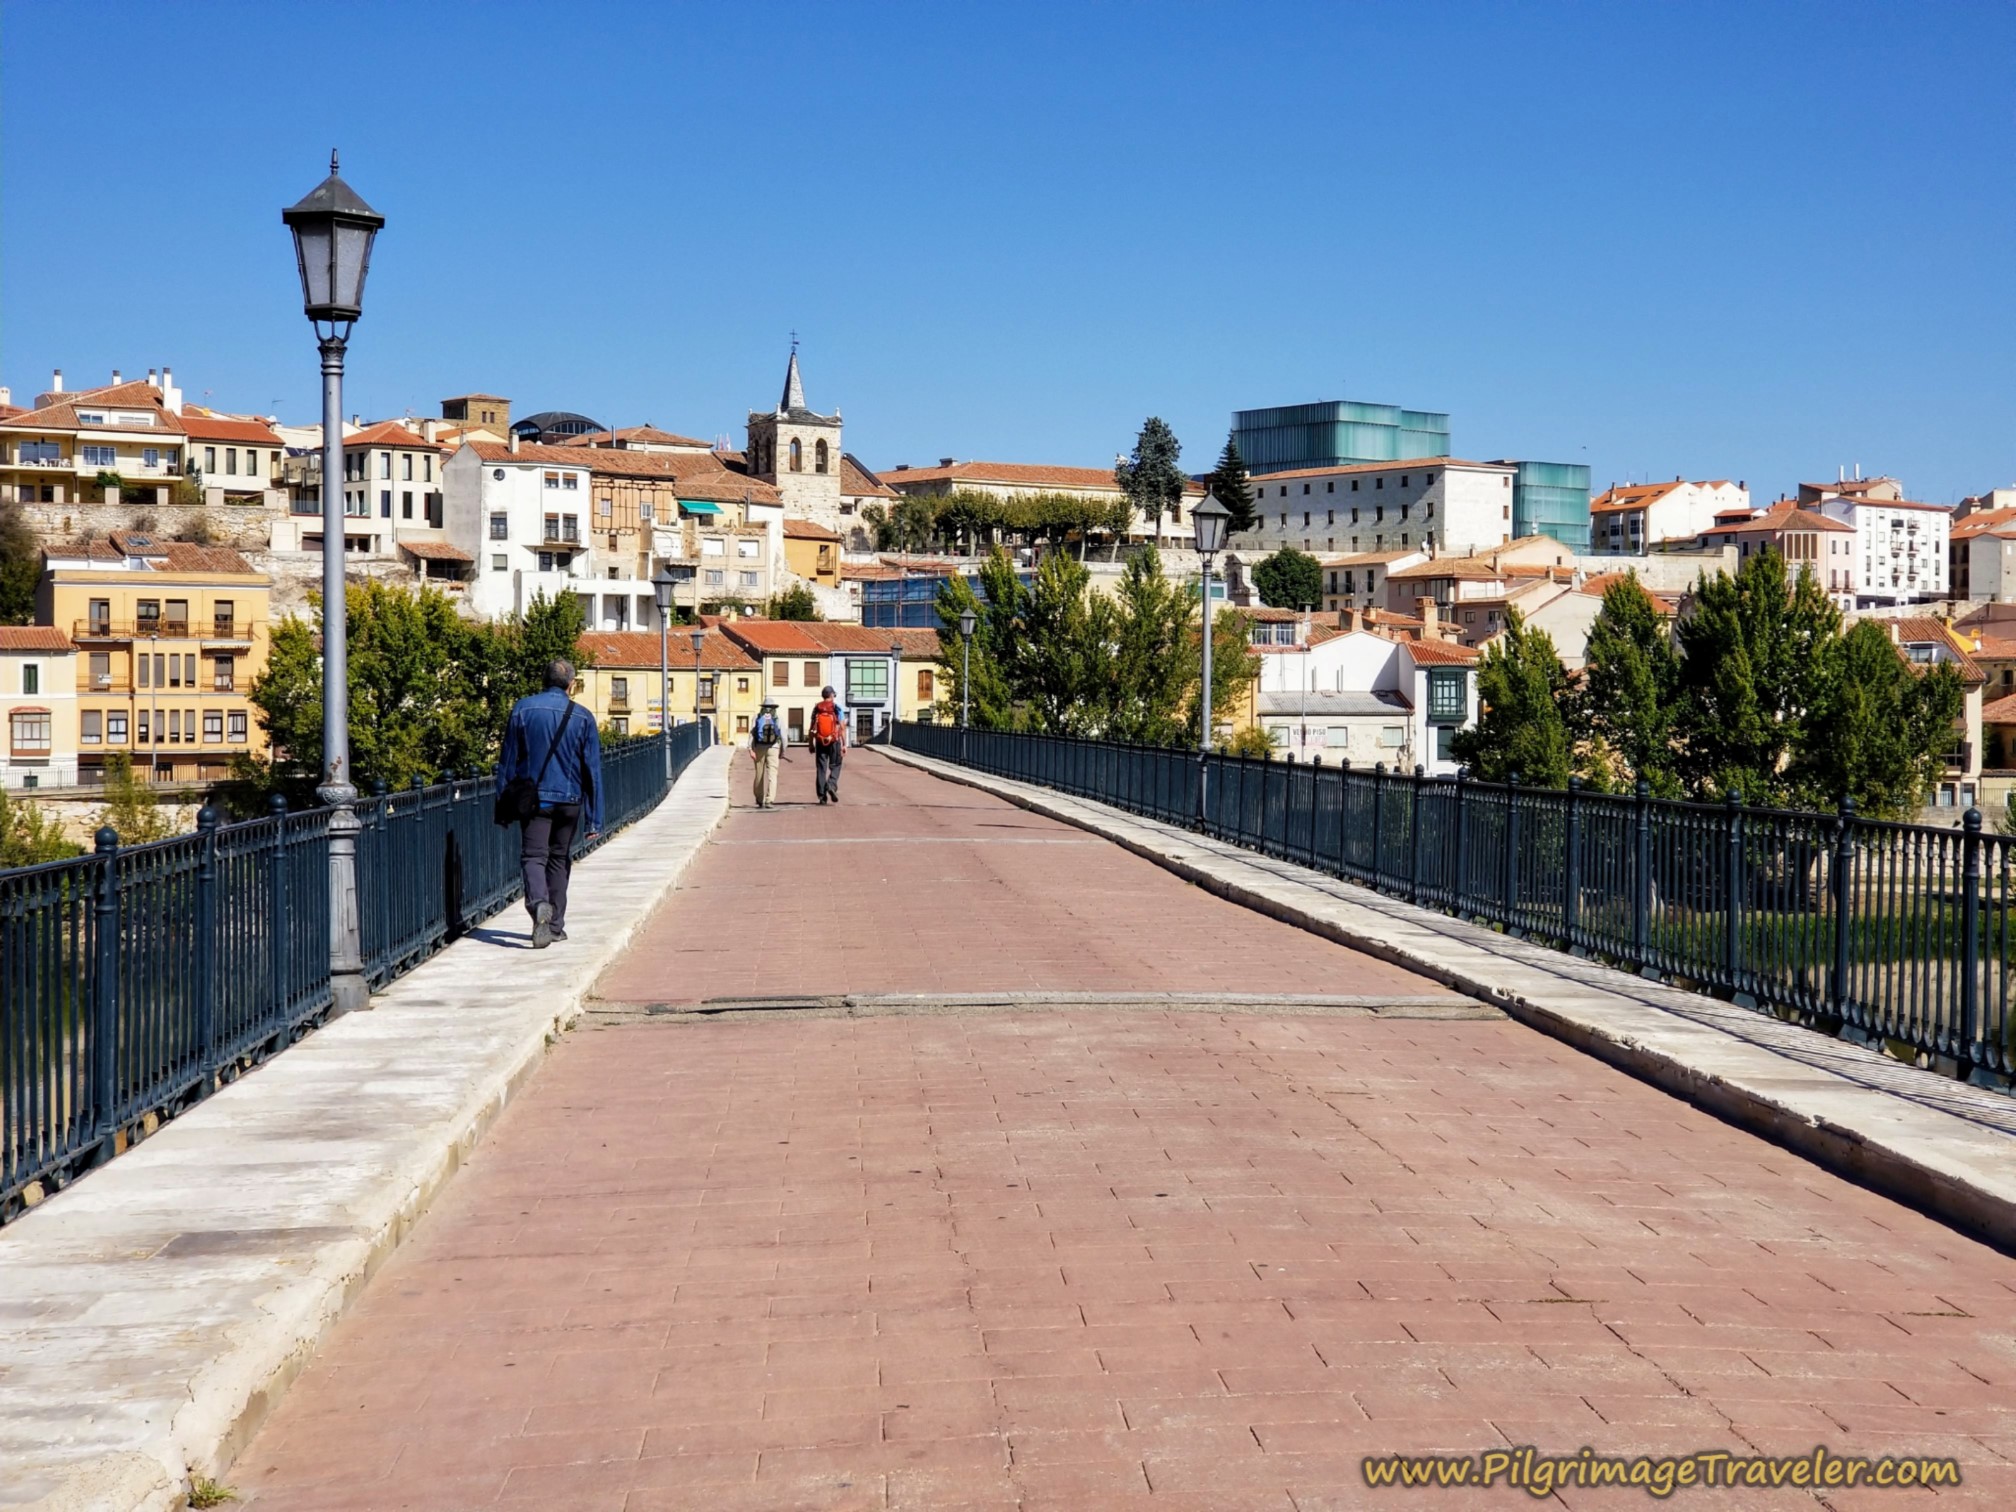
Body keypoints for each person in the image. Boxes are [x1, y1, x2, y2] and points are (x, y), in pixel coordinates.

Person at [498, 658, 602, 948]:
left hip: (535, 800)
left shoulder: (523, 708)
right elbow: (592, 770)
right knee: (559, 858)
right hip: (570, 800)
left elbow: (507, 761)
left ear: (543, 681)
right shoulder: (583, 716)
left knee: (533, 856)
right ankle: (555, 925)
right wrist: (595, 817)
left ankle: (539, 904)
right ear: (571, 684)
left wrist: (502, 803)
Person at [810, 683, 847, 804]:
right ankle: (831, 784)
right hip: (834, 741)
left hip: (820, 741)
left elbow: (812, 727)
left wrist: (811, 743)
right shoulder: (836, 708)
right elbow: (842, 726)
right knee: (836, 765)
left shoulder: (817, 709)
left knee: (821, 768)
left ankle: (822, 797)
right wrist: (844, 744)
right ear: (832, 695)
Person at [750, 698, 783, 808]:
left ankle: (759, 799)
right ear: (774, 707)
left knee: (759, 774)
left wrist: (750, 749)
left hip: (759, 747)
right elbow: (783, 735)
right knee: (772, 775)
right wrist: (783, 750)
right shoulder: (778, 717)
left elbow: (752, 733)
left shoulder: (757, 717)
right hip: (773, 747)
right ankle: (769, 800)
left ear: (763, 706)